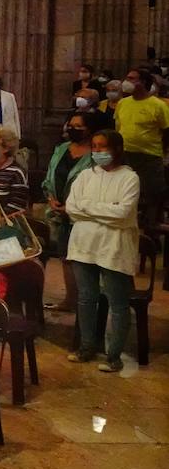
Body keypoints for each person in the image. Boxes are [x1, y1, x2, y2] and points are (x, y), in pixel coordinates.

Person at [66, 130, 141, 372]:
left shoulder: (129, 178)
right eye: (95, 147)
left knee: (117, 302)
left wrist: (87, 208)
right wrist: (104, 210)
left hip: (114, 246)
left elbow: (123, 214)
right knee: (86, 298)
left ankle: (113, 355)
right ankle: (87, 346)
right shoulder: (85, 176)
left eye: (103, 147)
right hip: (84, 245)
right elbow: (71, 208)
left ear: (116, 149)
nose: (97, 152)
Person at [43, 112, 99, 312]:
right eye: (71, 125)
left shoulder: (95, 153)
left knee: (80, 260)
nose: (73, 129)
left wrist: (72, 207)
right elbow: (50, 175)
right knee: (64, 257)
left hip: (82, 214)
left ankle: (85, 300)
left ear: (90, 129)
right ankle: (70, 298)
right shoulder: (61, 149)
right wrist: (51, 198)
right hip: (58, 212)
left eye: (79, 126)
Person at [113, 65, 169, 227]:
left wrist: (164, 153)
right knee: (124, 193)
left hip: (149, 156)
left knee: (153, 193)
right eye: (127, 78)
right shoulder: (123, 103)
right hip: (125, 154)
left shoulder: (157, 105)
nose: (126, 82)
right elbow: (118, 128)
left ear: (143, 82)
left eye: (131, 79)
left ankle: (151, 230)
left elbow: (166, 131)